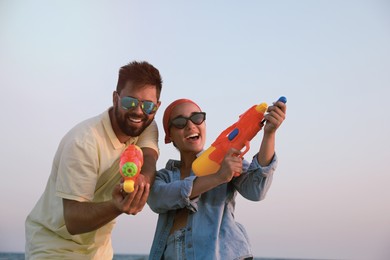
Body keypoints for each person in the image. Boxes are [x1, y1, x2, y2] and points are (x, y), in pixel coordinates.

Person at [25, 61, 163, 259]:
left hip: (99, 252)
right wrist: (117, 206)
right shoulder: (84, 142)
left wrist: (143, 180)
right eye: (130, 102)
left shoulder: (146, 125)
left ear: (157, 107)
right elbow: (73, 220)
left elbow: (149, 156)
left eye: (148, 105)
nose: (139, 111)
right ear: (116, 98)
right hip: (54, 247)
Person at [147, 98, 286, 260]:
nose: (191, 125)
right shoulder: (165, 176)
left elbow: (256, 191)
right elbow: (158, 198)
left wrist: (269, 134)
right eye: (179, 122)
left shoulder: (226, 159)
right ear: (169, 135)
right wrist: (218, 177)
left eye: (197, 118)